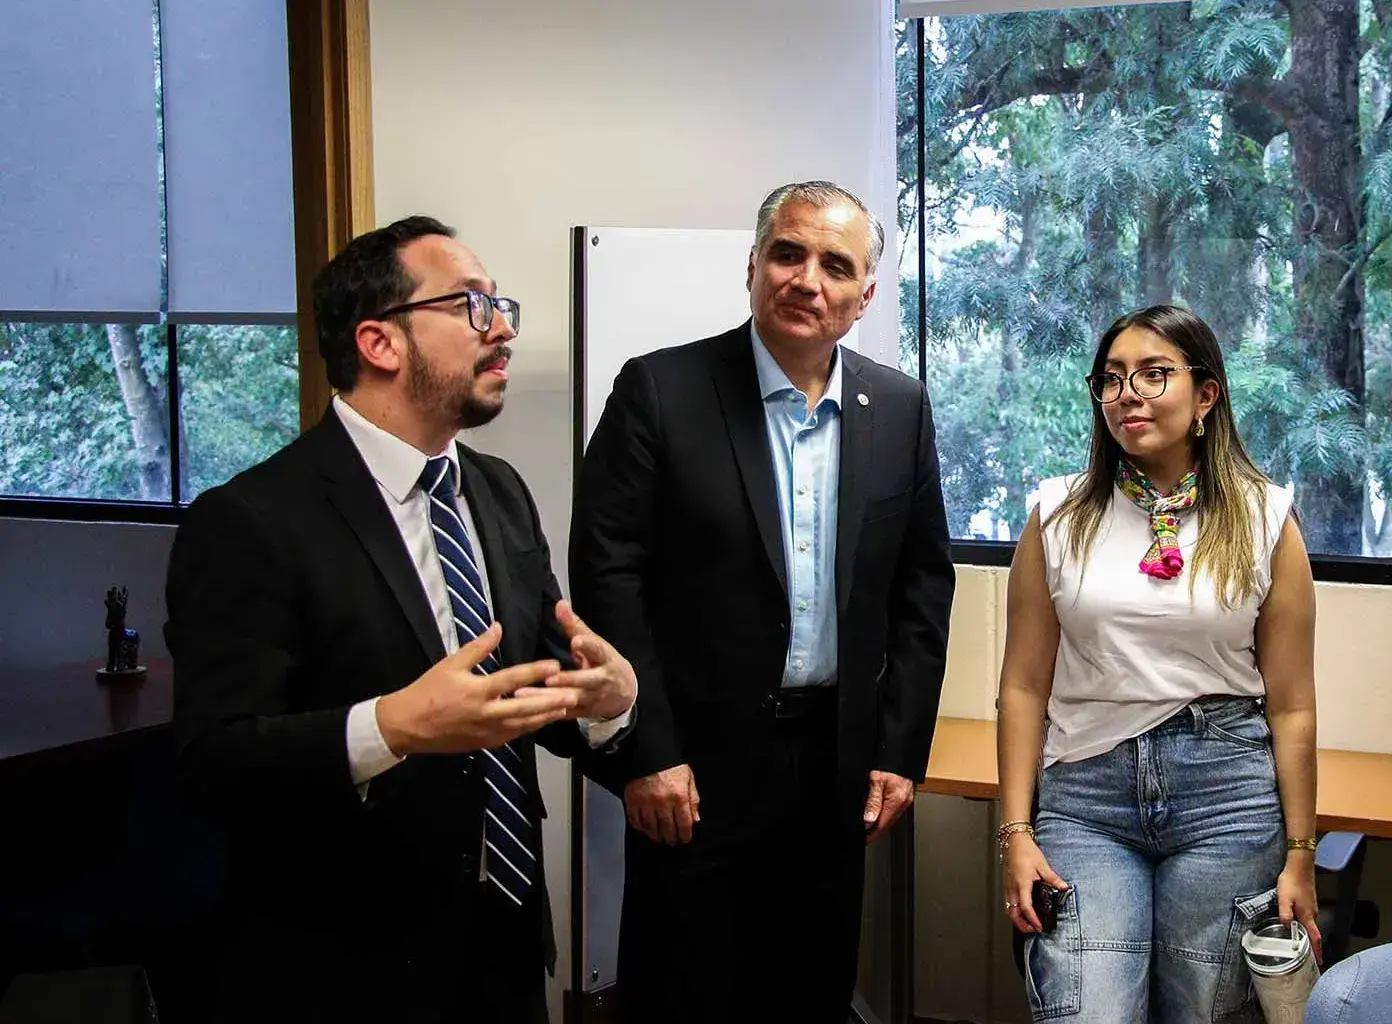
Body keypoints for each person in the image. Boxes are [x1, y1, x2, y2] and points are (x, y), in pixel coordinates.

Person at [166, 215, 638, 1023]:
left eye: (501, 306)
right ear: (380, 342)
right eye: (471, 305)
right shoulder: (248, 520)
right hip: (347, 959)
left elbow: (535, 688)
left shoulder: (498, 489)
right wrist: (391, 728)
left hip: (507, 936)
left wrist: (606, 704)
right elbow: (214, 760)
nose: (502, 329)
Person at [570, 180, 955, 1022]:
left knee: (810, 993)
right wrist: (646, 749)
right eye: (787, 254)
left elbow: (923, 588)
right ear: (752, 267)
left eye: (835, 266)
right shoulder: (661, 390)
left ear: (864, 297)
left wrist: (899, 750)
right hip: (691, 769)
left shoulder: (898, 408)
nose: (806, 280)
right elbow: (607, 577)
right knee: (683, 994)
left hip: (834, 766)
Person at [995, 304, 1321, 1022]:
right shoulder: (1057, 513)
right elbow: (1021, 687)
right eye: (1112, 379)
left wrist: (1301, 852)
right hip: (1087, 799)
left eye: (1153, 374)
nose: (1128, 395)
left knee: (1203, 1012)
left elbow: (1293, 704)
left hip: (1226, 797)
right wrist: (1015, 832)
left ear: (1206, 396)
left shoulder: (1265, 517)